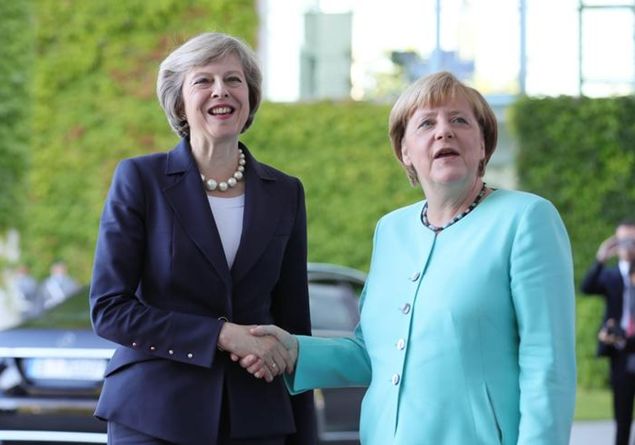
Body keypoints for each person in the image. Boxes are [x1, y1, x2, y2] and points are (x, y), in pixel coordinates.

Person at [243, 71, 577, 444]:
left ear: (483, 144)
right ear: (405, 151)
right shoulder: (391, 229)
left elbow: (548, 364)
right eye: (426, 123)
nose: (444, 131)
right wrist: (293, 351)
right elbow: (372, 354)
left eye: (459, 120)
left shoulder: (526, 218)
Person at [89, 32, 316, 445]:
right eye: (203, 80)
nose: (220, 90)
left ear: (250, 97)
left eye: (233, 80)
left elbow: (294, 323)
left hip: (257, 417)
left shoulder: (286, 192)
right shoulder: (140, 180)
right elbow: (109, 309)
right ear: (180, 102)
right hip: (154, 412)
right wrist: (221, 335)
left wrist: (304, 434)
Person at [581, 220, 635, 445]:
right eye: (623, 240)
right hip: (620, 349)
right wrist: (601, 258)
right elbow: (586, 287)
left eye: (632, 240)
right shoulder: (611, 276)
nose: (628, 245)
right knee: (622, 417)